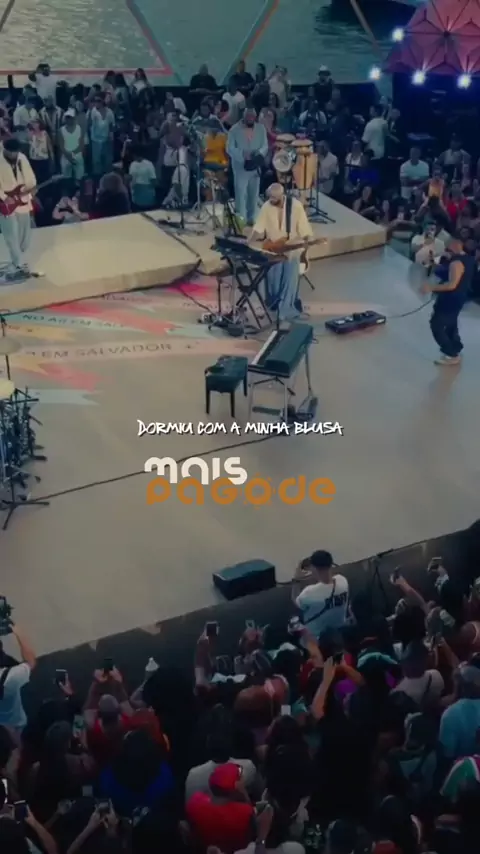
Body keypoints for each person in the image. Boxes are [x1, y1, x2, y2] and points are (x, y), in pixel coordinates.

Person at [250, 183, 313, 319]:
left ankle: (287, 309)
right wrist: (249, 242)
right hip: (274, 249)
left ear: (282, 196)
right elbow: (258, 228)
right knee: (273, 280)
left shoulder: (295, 206)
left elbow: (305, 232)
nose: (271, 200)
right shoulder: (266, 206)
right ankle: (274, 304)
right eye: (270, 197)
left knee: (289, 279)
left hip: (292, 248)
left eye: (274, 198)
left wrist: (305, 254)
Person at [422, 235, 475, 365]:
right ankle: (456, 346)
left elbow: (452, 285)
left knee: (437, 325)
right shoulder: (469, 259)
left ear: (457, 244)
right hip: (460, 297)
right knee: (451, 323)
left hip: (450, 299)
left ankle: (450, 353)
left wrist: (430, 287)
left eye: (450, 244)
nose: (448, 247)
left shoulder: (456, 263)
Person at [186, 761, 254, 853]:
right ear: (235, 788)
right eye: (239, 778)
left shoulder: (195, 802)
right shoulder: (244, 812)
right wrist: (243, 793)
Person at [0, 138, 39, 279]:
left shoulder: (22, 158)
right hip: (5, 204)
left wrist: (32, 189)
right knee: (11, 236)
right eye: (11, 152)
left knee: (25, 236)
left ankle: (18, 260)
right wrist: (4, 197)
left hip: (23, 201)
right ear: (5, 150)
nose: (14, 155)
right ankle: (18, 264)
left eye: (16, 152)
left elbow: (31, 179)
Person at [292, 550, 349, 638]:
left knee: (293, 622)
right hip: (339, 633)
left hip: (316, 637)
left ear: (314, 568)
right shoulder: (343, 580)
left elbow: (295, 600)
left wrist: (296, 579)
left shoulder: (309, 592)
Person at [227, 106, 268, 227]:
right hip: (240, 167)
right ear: (243, 116)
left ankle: (252, 218)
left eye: (252, 116)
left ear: (255, 117)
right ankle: (241, 219)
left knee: (254, 193)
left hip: (255, 166)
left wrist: (259, 155)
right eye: (248, 116)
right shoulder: (234, 130)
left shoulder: (261, 128)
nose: (250, 118)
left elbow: (265, 145)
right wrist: (242, 154)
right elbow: (229, 148)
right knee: (240, 193)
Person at [87, 94, 115, 177]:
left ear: (103, 101)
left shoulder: (109, 112)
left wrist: (111, 136)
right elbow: (89, 124)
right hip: (95, 140)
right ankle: (97, 179)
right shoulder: (92, 111)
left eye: (98, 101)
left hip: (107, 140)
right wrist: (90, 112)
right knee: (96, 162)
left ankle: (108, 179)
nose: (96, 103)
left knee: (108, 161)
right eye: (95, 101)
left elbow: (112, 125)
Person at [58, 109, 85, 183]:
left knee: (79, 178)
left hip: (77, 155)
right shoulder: (61, 130)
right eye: (67, 118)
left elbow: (81, 145)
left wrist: (72, 154)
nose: (69, 120)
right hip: (65, 156)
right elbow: (61, 146)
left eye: (70, 118)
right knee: (66, 179)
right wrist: (68, 156)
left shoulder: (80, 129)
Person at [128, 145, 157, 210]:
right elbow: (131, 177)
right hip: (135, 193)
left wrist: (145, 189)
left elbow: (153, 181)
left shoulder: (149, 164)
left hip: (145, 192)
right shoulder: (133, 164)